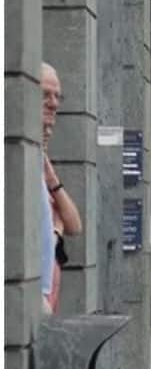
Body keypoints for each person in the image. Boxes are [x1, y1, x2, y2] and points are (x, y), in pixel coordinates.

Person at [39, 63, 82, 315]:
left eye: (57, 96)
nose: (54, 104)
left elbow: (75, 224)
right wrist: (56, 230)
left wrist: (52, 178)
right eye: (45, 95)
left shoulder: (41, 167)